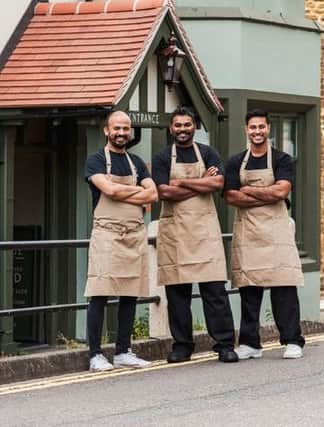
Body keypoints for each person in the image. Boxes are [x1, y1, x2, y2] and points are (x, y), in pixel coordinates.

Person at [152, 106, 238, 364]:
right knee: (178, 294)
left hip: (204, 233)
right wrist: (201, 183)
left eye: (187, 125)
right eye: (177, 125)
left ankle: (224, 344)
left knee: (215, 292)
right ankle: (182, 346)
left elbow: (219, 184)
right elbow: (163, 192)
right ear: (171, 128)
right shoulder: (162, 157)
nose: (182, 130)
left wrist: (181, 182)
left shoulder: (209, 153)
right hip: (175, 233)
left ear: (195, 126)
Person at [224, 108, 305, 360]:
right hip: (248, 232)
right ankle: (250, 344)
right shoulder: (236, 162)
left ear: (268, 129)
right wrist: (266, 193)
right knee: (249, 288)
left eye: (261, 127)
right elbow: (229, 196)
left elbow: (281, 193)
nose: (257, 131)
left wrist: (247, 191)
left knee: (284, 288)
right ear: (246, 130)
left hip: (276, 231)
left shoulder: (282, 159)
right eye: (252, 127)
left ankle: (293, 340)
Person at [84, 110, 158, 371]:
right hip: (106, 232)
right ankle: (95, 354)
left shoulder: (136, 162)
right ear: (107, 130)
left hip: (134, 233)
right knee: (99, 293)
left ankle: (123, 351)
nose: (121, 133)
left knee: (130, 293)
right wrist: (137, 191)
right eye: (116, 128)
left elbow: (154, 195)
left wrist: (125, 193)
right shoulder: (94, 161)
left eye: (126, 129)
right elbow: (110, 190)